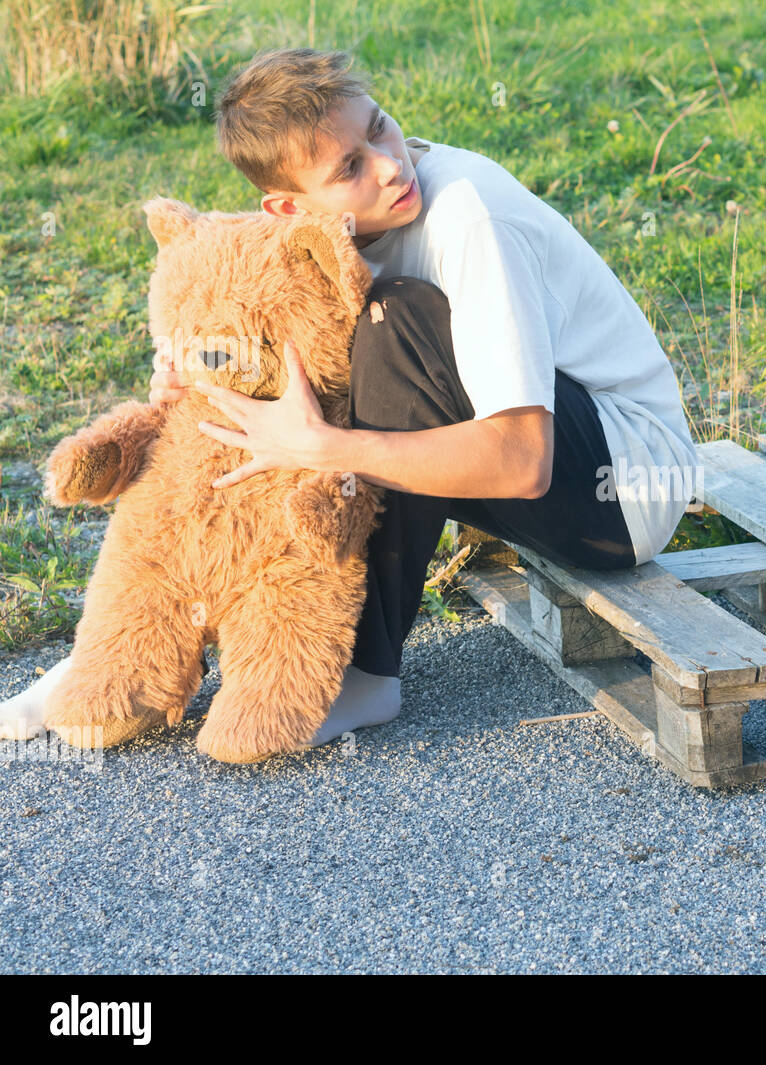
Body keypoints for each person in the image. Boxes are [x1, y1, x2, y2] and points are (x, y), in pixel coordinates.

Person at [0, 47, 699, 751]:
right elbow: (223, 275)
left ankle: (366, 674)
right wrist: (187, 373)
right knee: (278, 389)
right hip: (530, 455)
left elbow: (524, 464)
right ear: (287, 204)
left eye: (381, 128)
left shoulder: (467, 218)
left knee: (394, 325)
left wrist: (322, 447)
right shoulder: (305, 225)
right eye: (350, 168)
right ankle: (124, 653)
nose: (390, 165)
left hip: (622, 489)